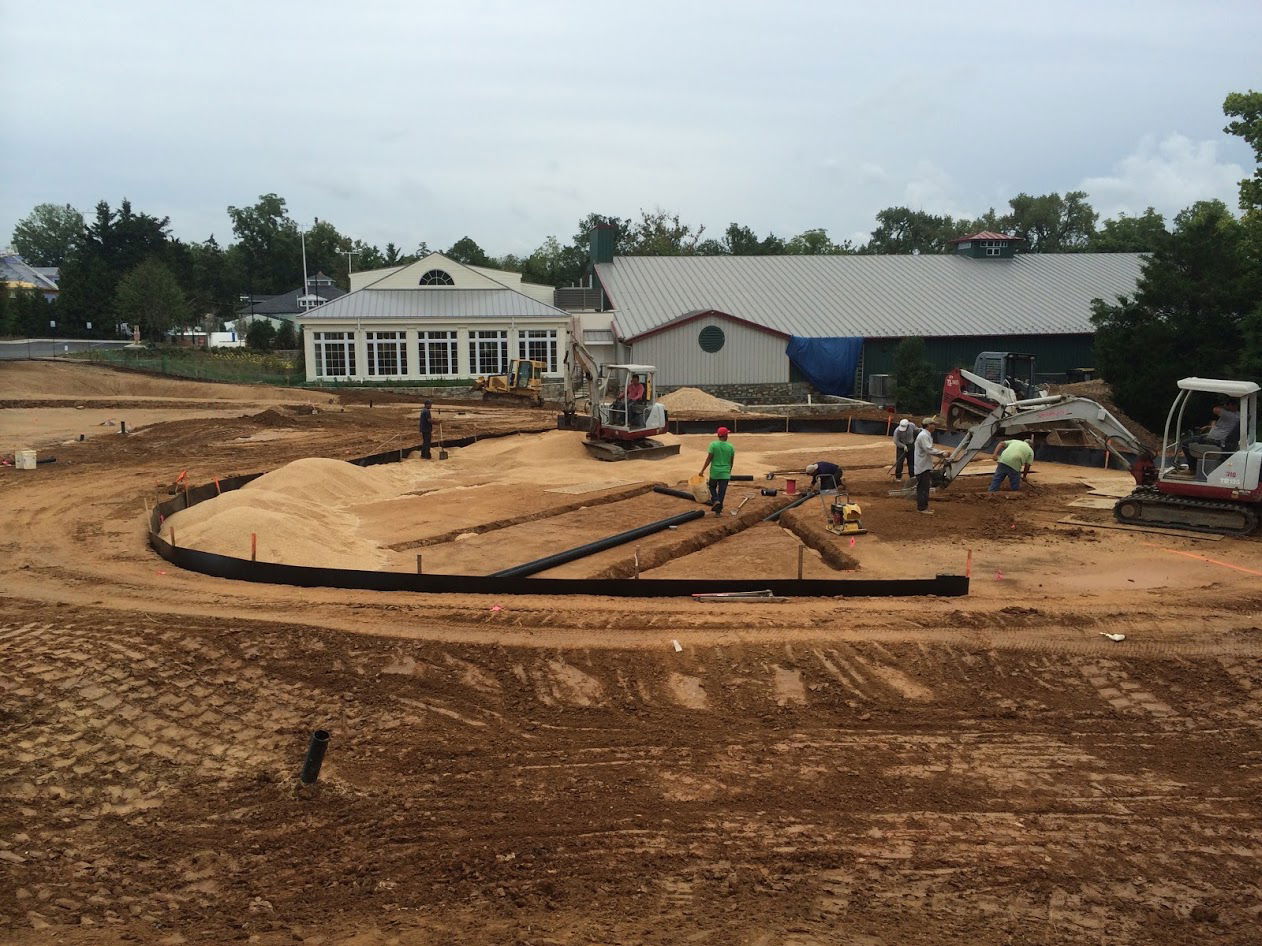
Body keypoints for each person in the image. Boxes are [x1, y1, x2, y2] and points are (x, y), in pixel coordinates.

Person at [1181, 403, 1239, 472]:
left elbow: (1215, 410)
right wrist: (1208, 427)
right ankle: (1192, 465)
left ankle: (1192, 469)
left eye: (1228, 404)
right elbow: (1224, 428)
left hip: (1215, 442)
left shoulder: (1230, 415)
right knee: (1195, 439)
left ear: (1233, 406)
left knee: (1185, 444)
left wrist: (1225, 407)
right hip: (1216, 440)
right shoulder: (1237, 415)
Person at [913, 416, 947, 515]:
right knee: (923, 488)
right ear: (928, 425)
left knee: (924, 487)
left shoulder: (925, 435)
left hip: (923, 464)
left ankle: (923, 507)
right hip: (922, 466)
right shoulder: (924, 436)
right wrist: (942, 453)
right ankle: (922, 508)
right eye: (933, 424)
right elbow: (928, 449)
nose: (934, 426)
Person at [699, 426, 734, 515]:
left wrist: (702, 470)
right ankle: (718, 512)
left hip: (715, 472)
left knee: (712, 486)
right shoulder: (730, 446)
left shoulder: (713, 445)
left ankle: (716, 500)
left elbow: (709, 459)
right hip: (725, 472)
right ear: (726, 435)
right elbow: (731, 461)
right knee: (722, 491)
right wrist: (729, 470)